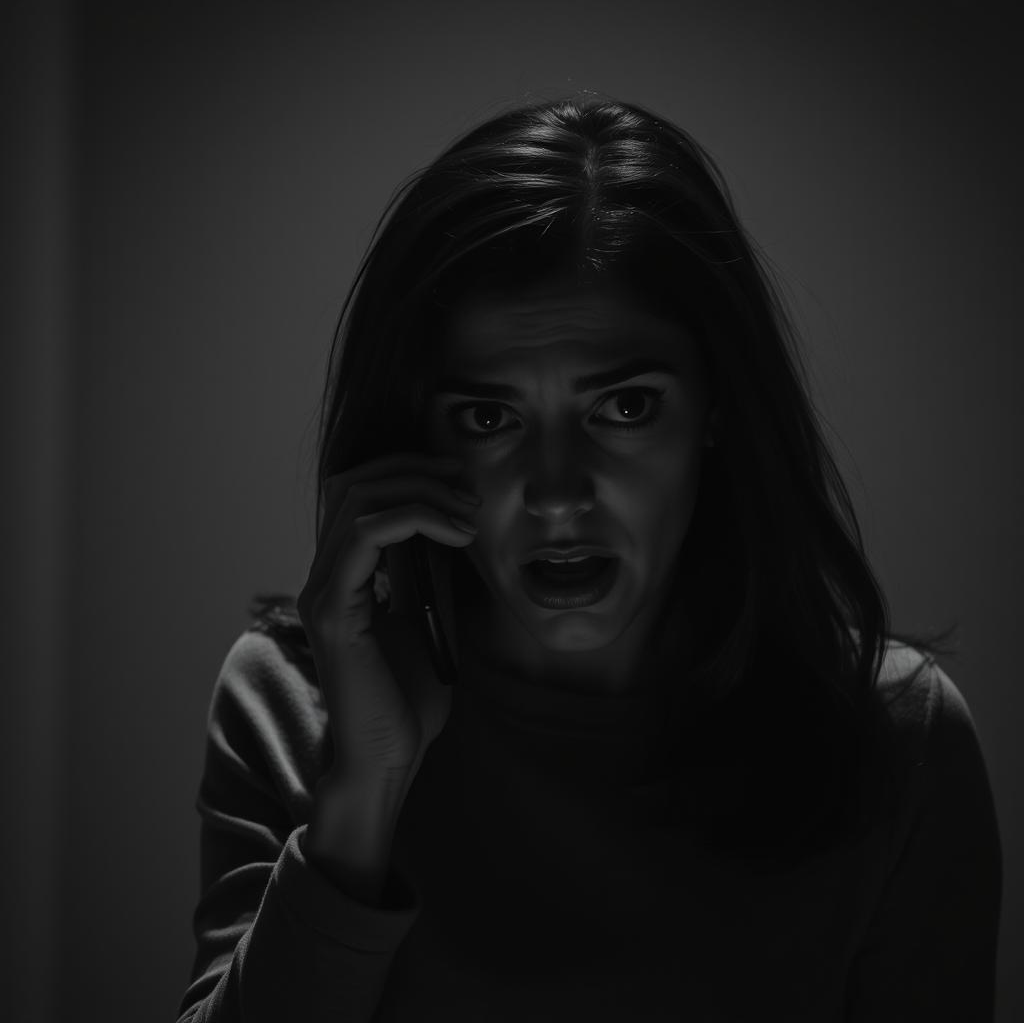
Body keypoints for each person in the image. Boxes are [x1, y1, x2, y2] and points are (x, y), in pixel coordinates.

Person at [176, 95, 1002, 1022]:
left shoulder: (895, 740)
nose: (559, 492)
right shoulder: (293, 701)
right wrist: (363, 794)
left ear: (718, 411)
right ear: (414, 444)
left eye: (625, 409)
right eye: (490, 419)